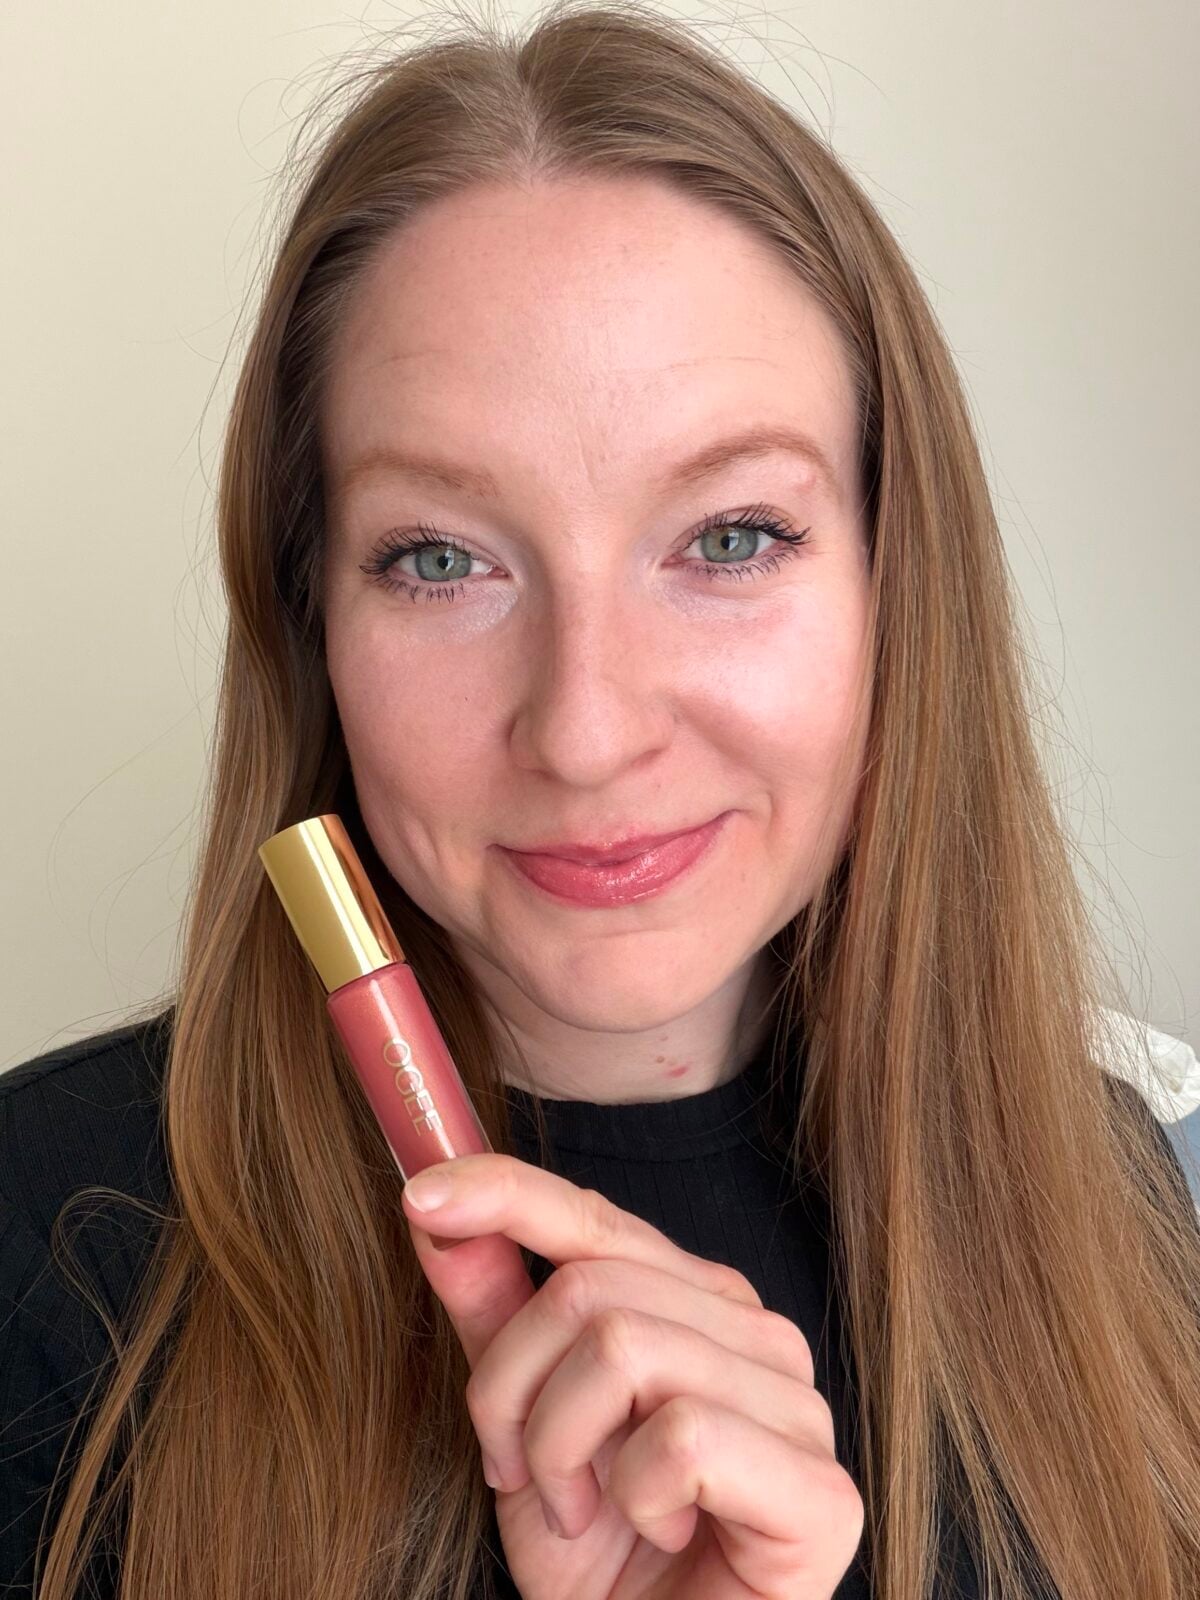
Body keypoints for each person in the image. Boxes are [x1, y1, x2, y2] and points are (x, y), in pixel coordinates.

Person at [3, 2, 1199, 1596]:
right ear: (312, 629)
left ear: (898, 585)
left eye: (729, 537)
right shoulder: (38, 1247)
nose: (584, 728)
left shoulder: (1145, 1203)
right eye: (442, 559)